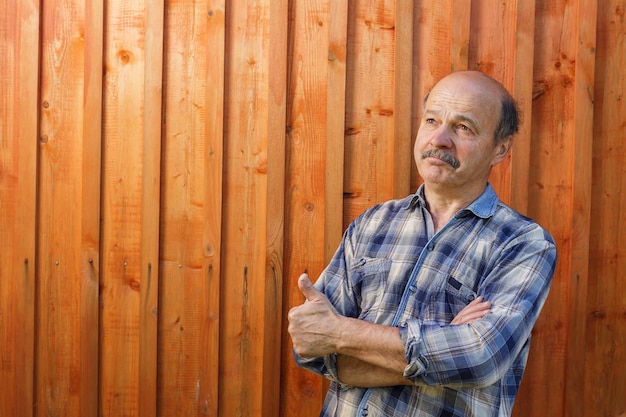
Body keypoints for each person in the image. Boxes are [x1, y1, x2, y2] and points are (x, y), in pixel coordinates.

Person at [287, 70, 557, 417]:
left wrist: (340, 332)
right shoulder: (373, 224)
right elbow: (312, 348)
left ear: (500, 149)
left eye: (463, 127)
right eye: (432, 120)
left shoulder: (523, 243)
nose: (440, 139)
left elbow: (480, 358)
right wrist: (443, 343)